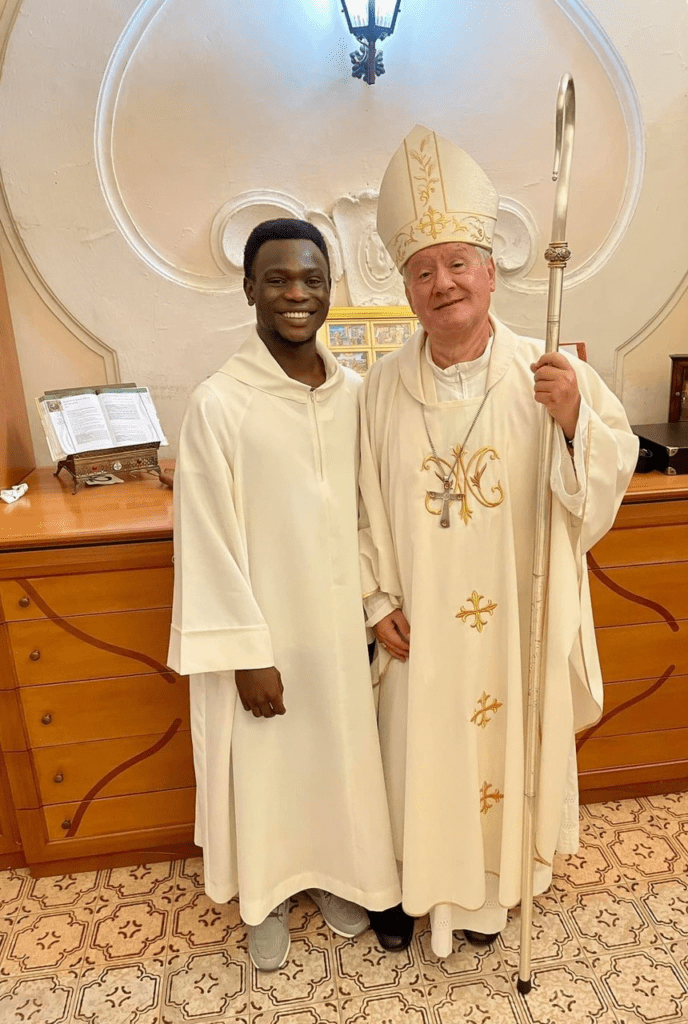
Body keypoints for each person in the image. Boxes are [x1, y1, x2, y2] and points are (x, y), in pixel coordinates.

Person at [359, 126, 639, 957]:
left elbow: (599, 492)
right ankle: (415, 885)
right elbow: (359, 508)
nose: (441, 283)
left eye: (456, 263)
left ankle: (491, 891)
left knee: (502, 745)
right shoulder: (378, 389)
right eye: (422, 270)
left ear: (489, 269)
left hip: (514, 621)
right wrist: (375, 599)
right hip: (420, 626)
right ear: (406, 287)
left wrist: (572, 424)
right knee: (415, 747)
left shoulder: (550, 375)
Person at [168, 219, 400, 971]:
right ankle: (264, 897)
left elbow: (370, 511)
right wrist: (245, 655)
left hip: (334, 632)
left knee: (335, 756)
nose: (296, 294)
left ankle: (335, 876)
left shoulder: (354, 395)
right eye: (278, 280)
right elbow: (205, 540)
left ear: (330, 289)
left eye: (311, 279)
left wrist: (373, 604)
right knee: (264, 768)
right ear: (249, 291)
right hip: (262, 632)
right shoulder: (220, 403)